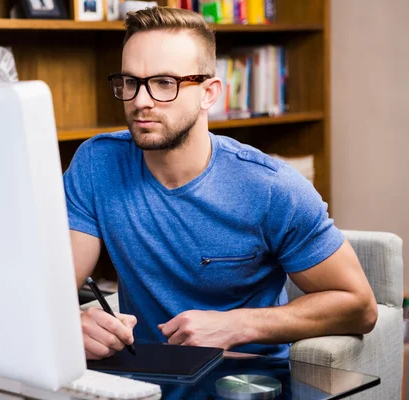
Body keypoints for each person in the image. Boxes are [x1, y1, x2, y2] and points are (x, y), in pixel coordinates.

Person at [63, 6, 378, 360]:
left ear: (209, 93)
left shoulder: (270, 187)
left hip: (247, 386)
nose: (141, 101)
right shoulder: (97, 163)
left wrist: (238, 325)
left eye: (165, 83)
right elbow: (56, 288)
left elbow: (360, 307)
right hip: (143, 383)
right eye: (131, 82)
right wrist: (72, 320)